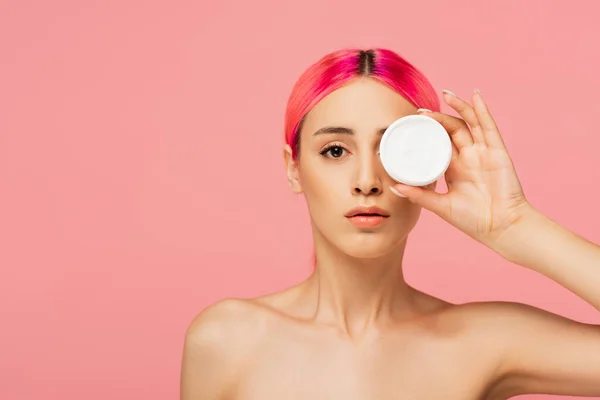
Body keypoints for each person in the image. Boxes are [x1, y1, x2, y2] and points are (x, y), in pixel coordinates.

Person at [180, 48, 600, 399]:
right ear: (294, 168)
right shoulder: (227, 339)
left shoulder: (485, 342)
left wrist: (514, 225)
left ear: (431, 163)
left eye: (391, 151)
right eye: (335, 151)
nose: (366, 182)